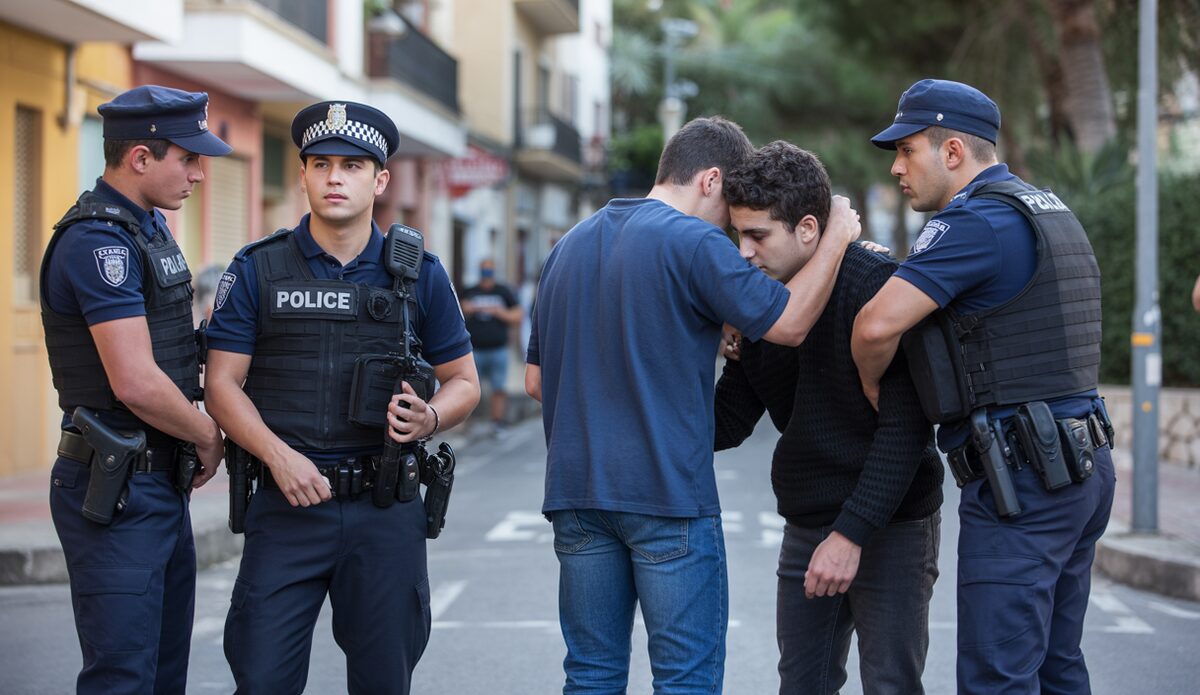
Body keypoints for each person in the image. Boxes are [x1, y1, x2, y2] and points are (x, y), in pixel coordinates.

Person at [525, 116, 861, 693]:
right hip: (666, 497)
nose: (733, 232)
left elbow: (536, 381)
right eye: (730, 208)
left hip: (576, 495)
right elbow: (790, 322)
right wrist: (836, 235)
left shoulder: (570, 245)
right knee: (686, 680)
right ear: (710, 180)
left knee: (590, 672)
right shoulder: (692, 240)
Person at [204, 100, 479, 694]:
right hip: (287, 504)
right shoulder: (257, 269)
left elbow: (465, 382)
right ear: (302, 174)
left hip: (385, 507)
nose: (335, 178)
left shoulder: (419, 274)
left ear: (380, 180)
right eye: (321, 163)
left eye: (353, 166)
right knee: (262, 678)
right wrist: (280, 458)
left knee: (384, 681)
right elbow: (220, 384)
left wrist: (430, 416)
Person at [852, 79, 1115, 693]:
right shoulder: (1048, 208)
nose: (896, 168)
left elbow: (874, 325)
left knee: (996, 677)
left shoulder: (977, 221)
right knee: (1056, 665)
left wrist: (870, 385)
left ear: (952, 153)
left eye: (907, 150)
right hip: (1079, 466)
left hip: (1026, 478)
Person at [715, 141, 943, 695]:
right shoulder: (757, 304)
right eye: (737, 235)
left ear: (810, 229)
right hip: (807, 522)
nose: (743, 253)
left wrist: (850, 534)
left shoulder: (875, 283)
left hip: (892, 525)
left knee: (890, 684)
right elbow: (728, 421)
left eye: (758, 236)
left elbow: (907, 429)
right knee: (802, 684)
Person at [40, 85, 231, 694]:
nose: (200, 173)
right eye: (188, 158)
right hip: (117, 485)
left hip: (155, 482)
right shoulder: (98, 243)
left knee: (162, 675)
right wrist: (207, 433)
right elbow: (136, 380)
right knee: (123, 677)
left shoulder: (148, 229)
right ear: (141, 158)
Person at [460, 258, 523, 435]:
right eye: (484, 270)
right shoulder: (470, 291)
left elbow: (518, 315)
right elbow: (456, 311)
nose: (487, 274)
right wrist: (468, 308)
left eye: (490, 270)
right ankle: (466, 424)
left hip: (498, 349)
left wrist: (500, 312)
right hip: (473, 350)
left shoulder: (503, 291)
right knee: (467, 388)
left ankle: (497, 424)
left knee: (499, 388)